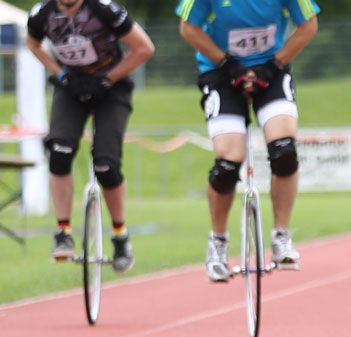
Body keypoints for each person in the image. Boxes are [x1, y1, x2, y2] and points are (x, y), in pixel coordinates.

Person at [176, 0, 319, 282]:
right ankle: (217, 242)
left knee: (284, 151)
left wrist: (275, 64)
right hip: (220, 71)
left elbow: (309, 24)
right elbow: (188, 28)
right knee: (227, 164)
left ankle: (281, 235)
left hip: (271, 69)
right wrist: (228, 65)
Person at [27, 0, 153, 273]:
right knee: (59, 151)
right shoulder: (42, 14)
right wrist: (60, 74)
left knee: (105, 165)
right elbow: (33, 44)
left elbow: (144, 48)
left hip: (111, 87)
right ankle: (62, 231)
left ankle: (120, 235)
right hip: (70, 87)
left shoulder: (104, 9)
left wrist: (108, 79)